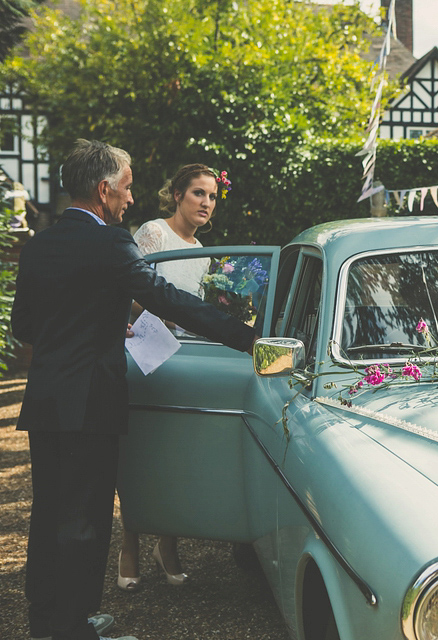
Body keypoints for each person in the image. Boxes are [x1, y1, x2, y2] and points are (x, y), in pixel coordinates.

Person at [13, 139, 257, 640]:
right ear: (103, 191)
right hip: (91, 400)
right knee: (87, 518)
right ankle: (76, 629)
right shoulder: (112, 242)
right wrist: (249, 338)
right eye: (125, 188)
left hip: (45, 399)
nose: (129, 198)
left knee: (49, 512)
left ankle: (47, 621)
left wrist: (99, 327)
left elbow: (24, 327)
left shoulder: (38, 244)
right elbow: (168, 299)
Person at [117, 163, 228, 592]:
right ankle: (129, 544)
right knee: (138, 449)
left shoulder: (202, 250)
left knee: (174, 451)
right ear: (178, 194)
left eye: (212, 196)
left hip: (182, 360)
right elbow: (126, 290)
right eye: (198, 193)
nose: (206, 202)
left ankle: (168, 543)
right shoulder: (153, 233)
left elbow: (194, 309)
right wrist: (159, 323)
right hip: (145, 352)